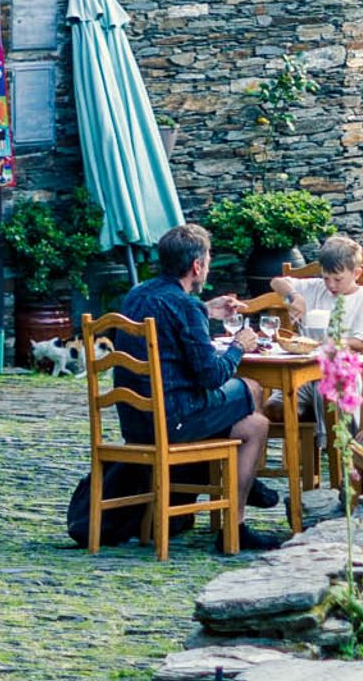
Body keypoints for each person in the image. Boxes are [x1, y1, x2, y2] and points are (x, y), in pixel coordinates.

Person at [113, 223, 284, 539]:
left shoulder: (137, 294)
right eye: (207, 259)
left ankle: (242, 484)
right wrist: (238, 347)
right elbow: (211, 376)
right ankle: (238, 510)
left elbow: (168, 324)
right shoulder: (185, 305)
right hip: (174, 418)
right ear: (196, 266)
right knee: (252, 388)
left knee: (254, 426)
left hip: (136, 421)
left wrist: (205, 311)